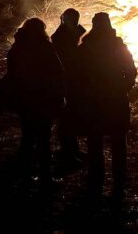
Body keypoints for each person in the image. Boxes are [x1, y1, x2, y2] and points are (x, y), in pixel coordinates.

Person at [76, 12, 137, 198]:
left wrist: (83, 94)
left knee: (95, 142)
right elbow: (131, 71)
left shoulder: (85, 47)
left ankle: (96, 182)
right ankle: (119, 183)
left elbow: (76, 76)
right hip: (115, 99)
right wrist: (123, 87)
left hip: (93, 101)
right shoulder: (118, 46)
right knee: (118, 142)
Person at [6, 18, 64, 187]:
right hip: (43, 99)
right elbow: (58, 73)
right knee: (44, 139)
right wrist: (60, 96)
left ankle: (25, 175)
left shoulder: (17, 48)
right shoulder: (46, 47)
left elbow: (11, 76)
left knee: (28, 138)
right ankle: (45, 176)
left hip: (25, 100)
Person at [51, 8, 86, 164]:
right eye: (73, 20)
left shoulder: (66, 34)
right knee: (66, 117)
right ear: (65, 20)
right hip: (65, 82)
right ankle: (68, 152)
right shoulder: (60, 37)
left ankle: (72, 149)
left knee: (71, 116)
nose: (76, 23)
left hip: (71, 81)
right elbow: (68, 57)